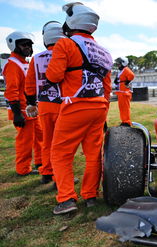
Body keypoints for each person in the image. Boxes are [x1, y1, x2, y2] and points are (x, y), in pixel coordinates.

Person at [46, 2, 113, 214]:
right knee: (93, 153)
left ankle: (66, 199)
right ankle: (91, 196)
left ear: (72, 21)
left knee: (60, 153)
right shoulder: (104, 52)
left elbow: (54, 76)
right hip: (99, 106)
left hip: (75, 106)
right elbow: (107, 87)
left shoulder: (65, 45)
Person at [25, 21, 65, 185]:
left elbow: (29, 84)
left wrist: (31, 103)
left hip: (44, 105)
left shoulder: (36, 58)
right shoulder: (66, 53)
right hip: (63, 104)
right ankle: (59, 176)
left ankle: (47, 172)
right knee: (62, 143)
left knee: (47, 141)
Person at [3, 31, 43, 176]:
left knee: (40, 137)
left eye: (29, 44)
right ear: (14, 45)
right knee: (25, 142)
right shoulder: (13, 64)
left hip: (31, 109)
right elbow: (11, 91)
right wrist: (17, 114)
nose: (27, 47)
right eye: (23, 44)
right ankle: (23, 169)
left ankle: (40, 161)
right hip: (21, 110)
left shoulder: (24, 63)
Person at [113, 57, 134, 126]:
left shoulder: (126, 69)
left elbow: (131, 75)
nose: (118, 65)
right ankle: (124, 121)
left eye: (119, 63)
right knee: (121, 108)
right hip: (121, 92)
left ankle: (127, 122)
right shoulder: (121, 71)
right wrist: (116, 80)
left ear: (123, 63)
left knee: (125, 107)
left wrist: (126, 82)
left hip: (125, 92)